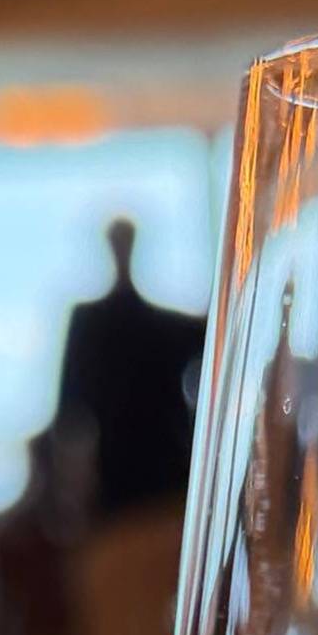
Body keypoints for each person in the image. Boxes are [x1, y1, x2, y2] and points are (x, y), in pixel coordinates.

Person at [52, 218, 207, 521]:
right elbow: (70, 412)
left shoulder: (156, 326)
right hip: (130, 486)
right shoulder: (95, 324)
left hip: (161, 487)